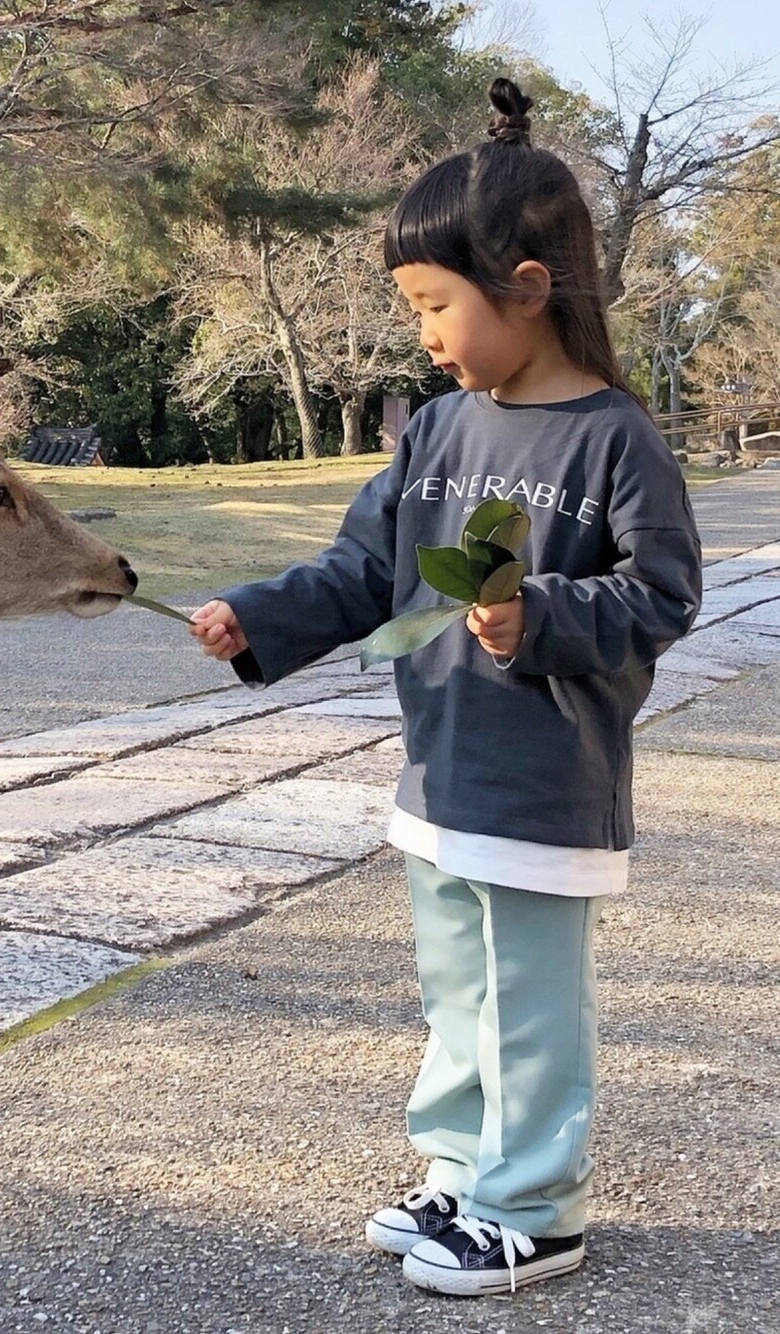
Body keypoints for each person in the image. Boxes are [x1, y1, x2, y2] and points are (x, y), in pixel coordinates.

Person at [188, 76, 702, 1298]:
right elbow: (368, 567)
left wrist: (543, 614)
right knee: (455, 989)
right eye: (414, 307)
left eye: (435, 305)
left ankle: (537, 1205)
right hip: (437, 769)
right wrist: (253, 616)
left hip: (545, 779)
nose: (423, 334)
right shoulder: (434, 430)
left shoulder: (615, 438)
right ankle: (462, 1168)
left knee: (528, 1004)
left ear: (528, 288)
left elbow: (664, 597)